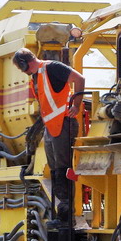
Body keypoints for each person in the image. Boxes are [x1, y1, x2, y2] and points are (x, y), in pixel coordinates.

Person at [12, 48, 85, 222]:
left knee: (63, 168)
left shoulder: (52, 67)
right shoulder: (36, 76)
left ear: (24, 63)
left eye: (20, 67)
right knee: (55, 170)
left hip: (63, 123)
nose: (22, 71)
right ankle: (63, 211)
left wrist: (76, 105)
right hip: (51, 126)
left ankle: (67, 214)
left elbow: (79, 79)